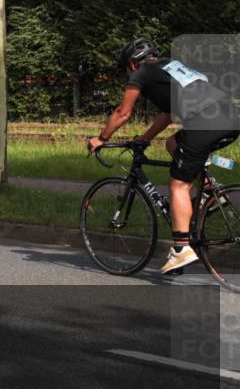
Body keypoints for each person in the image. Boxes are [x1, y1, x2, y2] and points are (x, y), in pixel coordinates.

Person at [88, 38, 240, 274]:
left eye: (126, 69)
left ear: (132, 63)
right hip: (230, 117)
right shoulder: (172, 66)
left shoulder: (141, 73)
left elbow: (122, 113)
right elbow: (169, 114)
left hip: (203, 124)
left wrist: (101, 138)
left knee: (178, 186)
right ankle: (209, 191)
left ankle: (181, 250)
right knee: (172, 144)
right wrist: (145, 139)